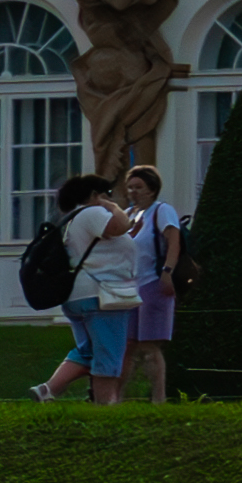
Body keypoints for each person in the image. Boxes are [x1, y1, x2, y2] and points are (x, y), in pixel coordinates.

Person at [23, 174, 122, 404]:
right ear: (94, 195)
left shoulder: (69, 218)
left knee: (87, 351)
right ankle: (105, 405)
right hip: (100, 293)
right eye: (107, 194)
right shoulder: (93, 213)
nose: (111, 199)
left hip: (75, 295)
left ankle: (47, 390)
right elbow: (121, 226)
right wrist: (114, 207)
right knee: (107, 354)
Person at [112, 164, 181, 404]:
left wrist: (167, 272)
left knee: (150, 346)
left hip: (153, 283)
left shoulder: (162, 211)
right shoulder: (128, 215)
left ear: (152, 189)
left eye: (139, 187)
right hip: (129, 287)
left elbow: (174, 241)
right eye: (130, 187)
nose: (133, 192)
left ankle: (158, 398)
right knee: (127, 346)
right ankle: (115, 398)